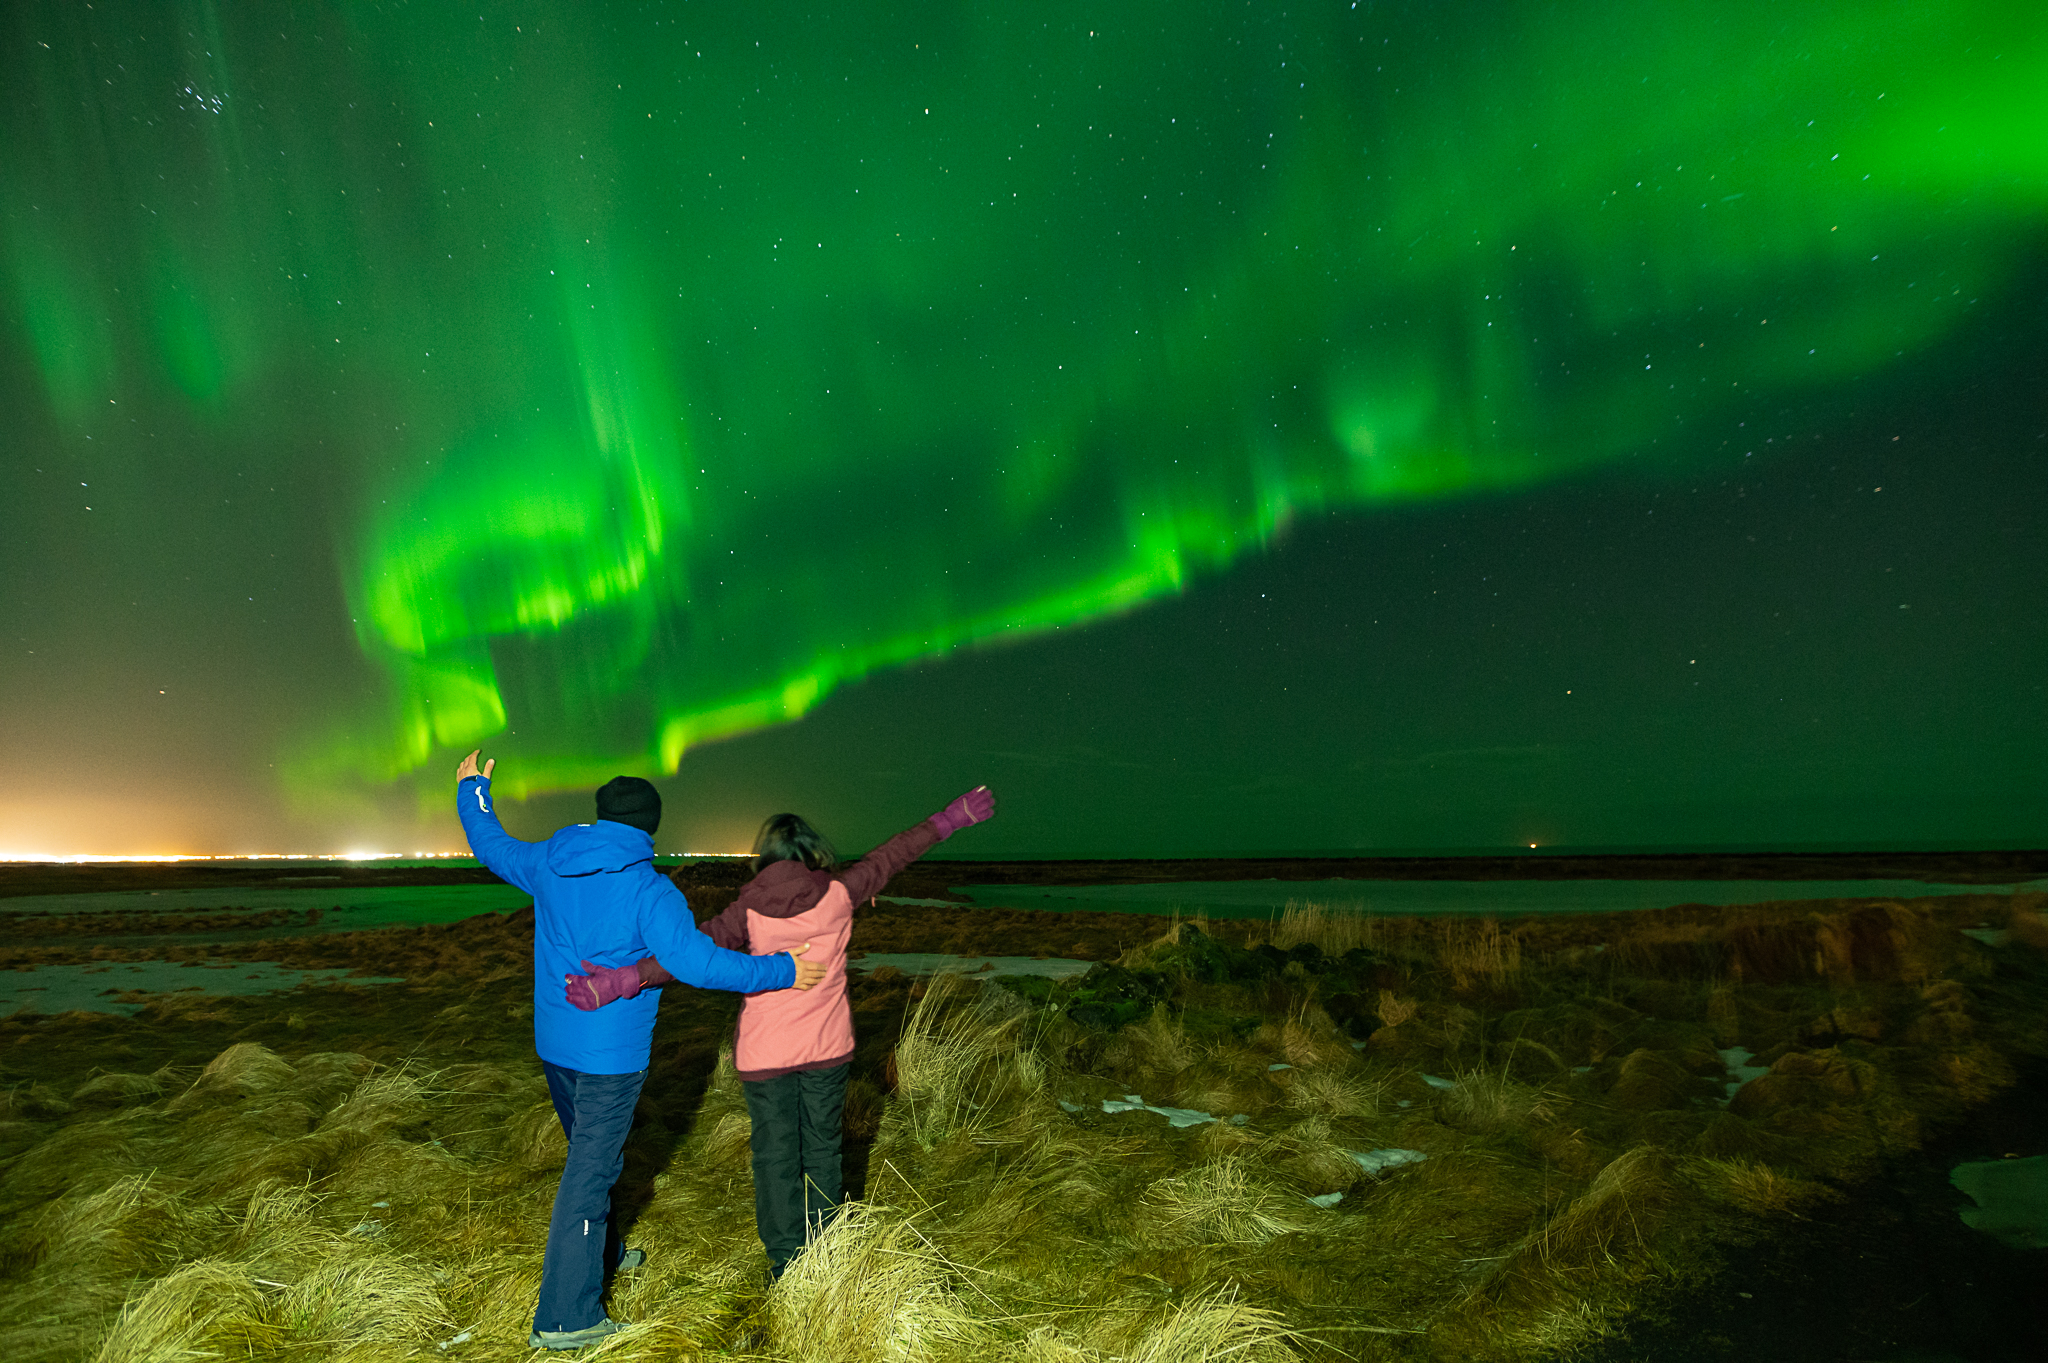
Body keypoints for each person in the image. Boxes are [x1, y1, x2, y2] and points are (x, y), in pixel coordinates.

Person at [453, 749, 827, 1350]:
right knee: (590, 1171)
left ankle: (603, 1252)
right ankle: (567, 1317)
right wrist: (785, 970)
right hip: (610, 1060)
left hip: (555, 1044)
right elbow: (698, 964)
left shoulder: (550, 859)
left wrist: (472, 790)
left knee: (589, 1155)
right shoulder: (650, 891)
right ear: (649, 827)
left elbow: (491, 845)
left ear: (600, 814)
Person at [564, 786, 995, 1280]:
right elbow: (894, 853)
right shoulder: (841, 892)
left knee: (775, 1156)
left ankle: (785, 1262)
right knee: (823, 1149)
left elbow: (686, 953)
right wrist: (951, 817)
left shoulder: (746, 911)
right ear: (813, 853)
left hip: (765, 1055)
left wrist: (624, 979)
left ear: (765, 860)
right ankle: (826, 1251)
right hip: (827, 1050)